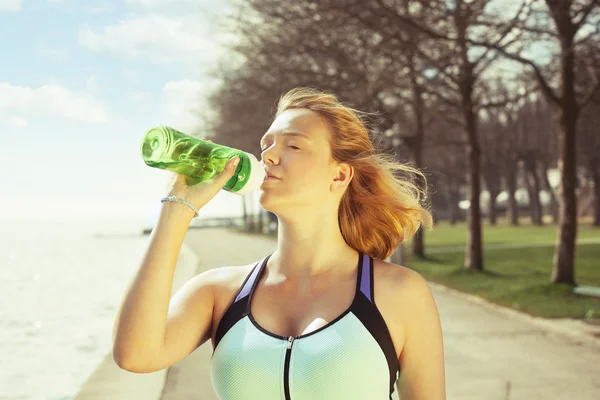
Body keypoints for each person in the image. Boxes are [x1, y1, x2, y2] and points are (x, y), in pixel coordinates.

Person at [112, 87, 446, 399]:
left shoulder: (399, 293)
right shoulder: (220, 293)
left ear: (340, 175)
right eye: (266, 146)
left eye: (293, 146)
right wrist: (177, 208)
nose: (268, 157)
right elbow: (135, 354)